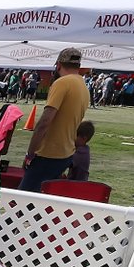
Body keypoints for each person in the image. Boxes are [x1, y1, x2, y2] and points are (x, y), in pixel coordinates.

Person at [20, 47, 90, 192]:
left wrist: (30, 153)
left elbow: (45, 122)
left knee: (22, 200)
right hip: (66, 153)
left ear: (58, 65)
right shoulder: (83, 86)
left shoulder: (62, 83)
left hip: (49, 153)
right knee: (41, 201)